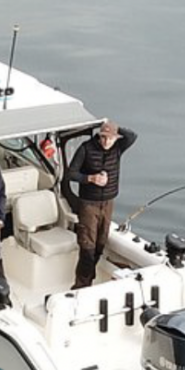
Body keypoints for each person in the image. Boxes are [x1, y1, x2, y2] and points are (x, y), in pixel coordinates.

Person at [67, 120, 138, 288]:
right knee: (87, 246)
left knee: (101, 243)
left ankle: (89, 276)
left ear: (115, 138)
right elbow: (71, 174)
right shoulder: (86, 148)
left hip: (108, 202)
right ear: (99, 136)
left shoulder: (118, 148)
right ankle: (81, 285)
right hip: (89, 203)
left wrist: (114, 127)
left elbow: (132, 136)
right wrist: (90, 178)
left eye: (110, 138)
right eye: (103, 137)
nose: (106, 142)